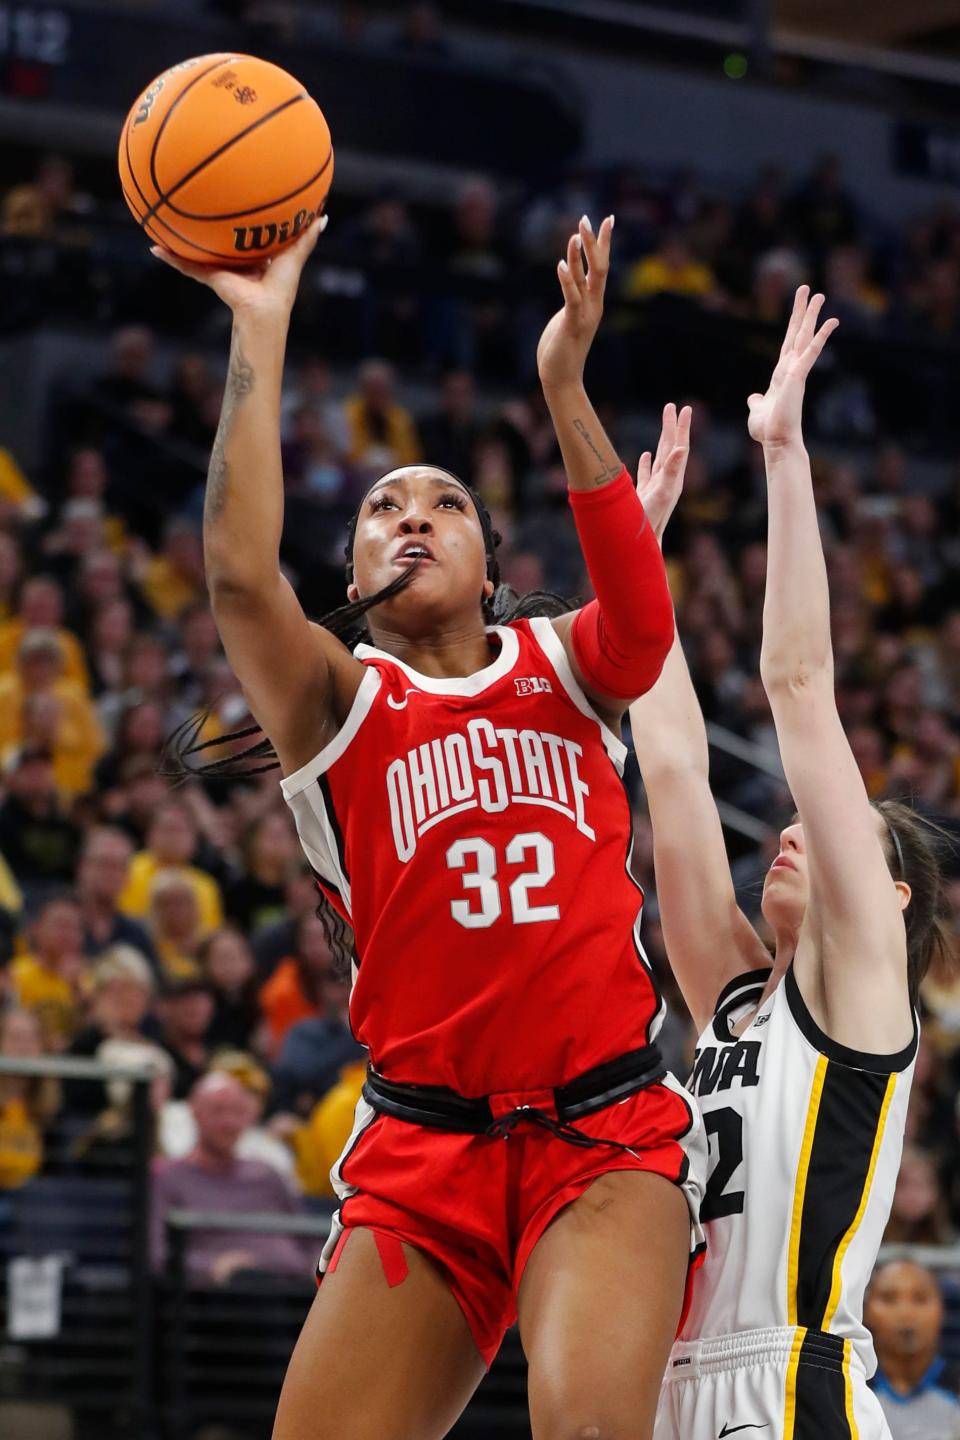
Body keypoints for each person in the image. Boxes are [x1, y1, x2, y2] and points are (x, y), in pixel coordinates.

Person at [154, 213, 705, 1439]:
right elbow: (241, 579)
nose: (411, 517)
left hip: (602, 1130)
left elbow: (645, 626)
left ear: (492, 561)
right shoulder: (336, 702)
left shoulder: (568, 662)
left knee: (588, 1430)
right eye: (381, 510)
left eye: (445, 503)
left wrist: (564, 380)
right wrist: (261, 322)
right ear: (351, 577)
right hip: (425, 1150)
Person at [631, 289, 949, 1440]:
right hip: (666, 1388)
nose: (792, 830)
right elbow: (669, 767)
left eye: (841, 825)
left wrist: (782, 457)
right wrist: (637, 558)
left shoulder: (866, 987)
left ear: (891, 891)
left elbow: (800, 688)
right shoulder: (730, 999)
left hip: (792, 1388)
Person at [150, 1072, 313, 1283]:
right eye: (218, 1111)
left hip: (293, 1289)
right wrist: (211, 1267)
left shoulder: (268, 1175)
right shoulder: (168, 1176)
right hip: (220, 1301)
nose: (229, 1122)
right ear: (195, 1113)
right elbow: (155, 1254)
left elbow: (308, 1240)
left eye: (237, 1112)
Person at [866, 1260, 960, 1440]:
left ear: (942, 1310)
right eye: (889, 1298)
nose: (905, 1312)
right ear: (866, 1310)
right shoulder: (845, 1391)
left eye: (920, 1298)